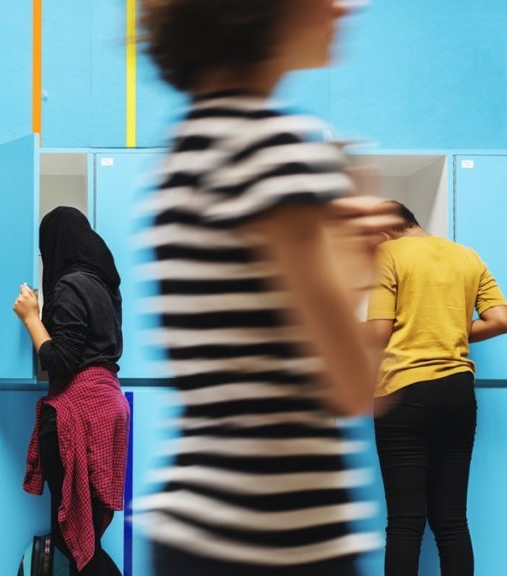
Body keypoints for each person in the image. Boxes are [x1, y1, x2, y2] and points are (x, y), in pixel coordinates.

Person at [136, 1, 403, 574]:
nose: (344, 6)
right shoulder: (279, 149)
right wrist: (358, 260)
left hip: (195, 526)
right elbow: (355, 387)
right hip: (277, 540)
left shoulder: (188, 146)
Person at [367, 201, 507, 575]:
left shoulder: (387, 254)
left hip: (404, 393)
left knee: (405, 523)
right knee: (452, 521)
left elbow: (378, 333)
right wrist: (452, 331)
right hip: (458, 393)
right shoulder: (466, 256)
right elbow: (500, 318)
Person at [13, 206, 130, 576]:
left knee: (73, 539)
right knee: (85, 536)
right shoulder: (105, 288)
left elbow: (61, 361)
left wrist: (32, 317)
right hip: (107, 407)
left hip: (76, 413)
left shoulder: (69, 286)